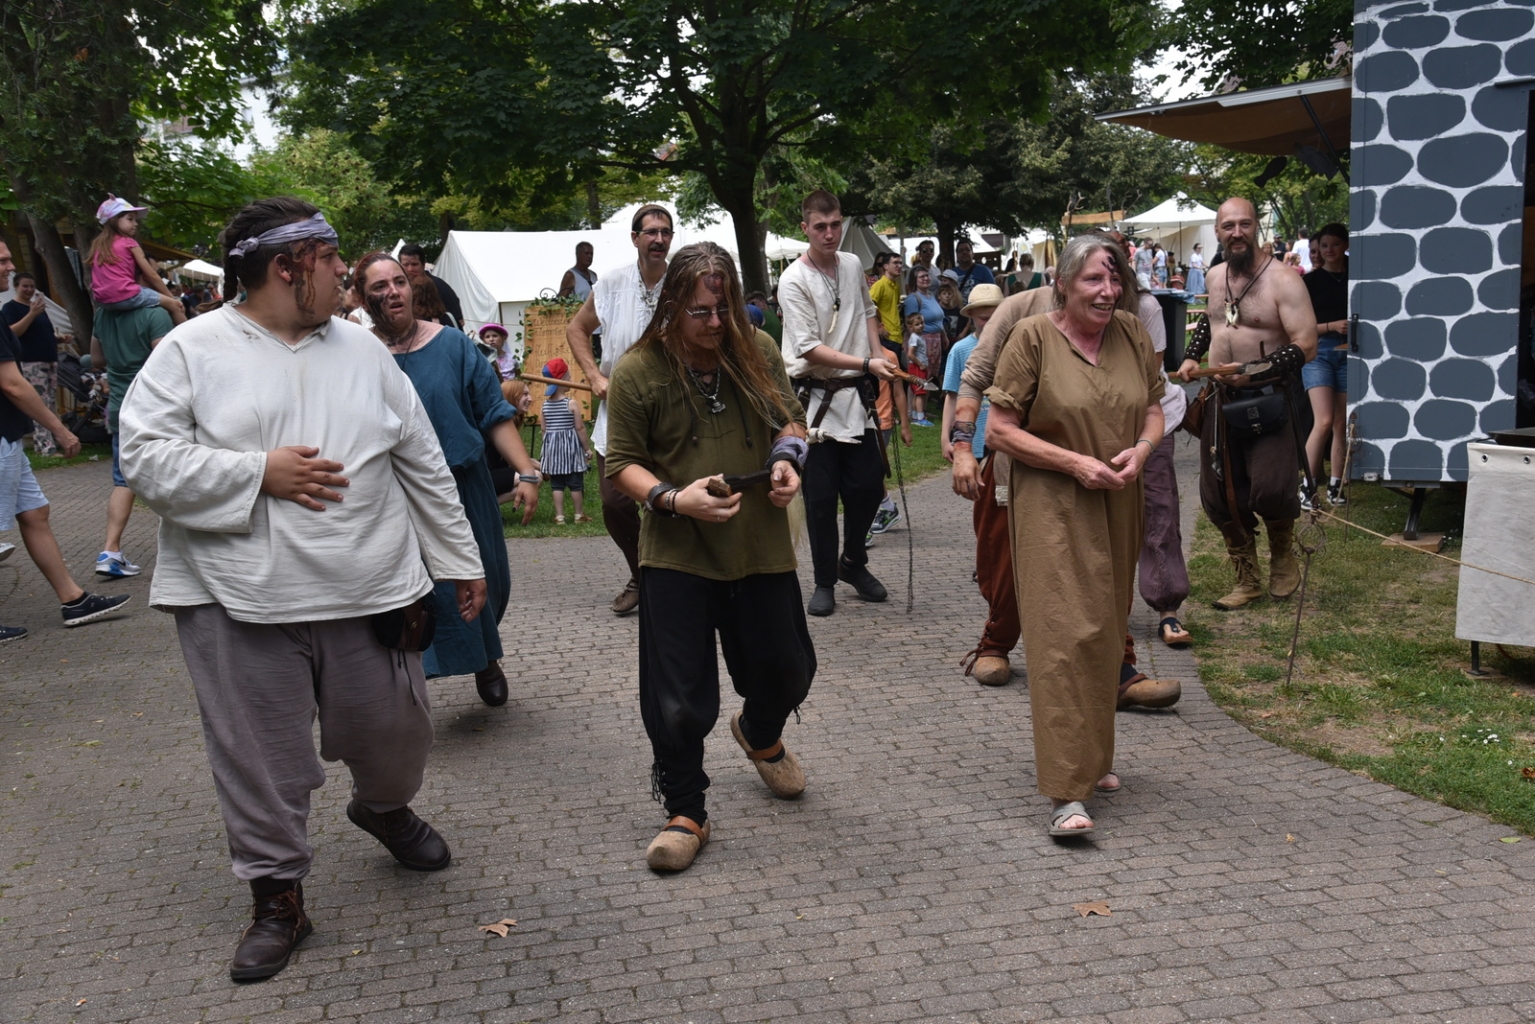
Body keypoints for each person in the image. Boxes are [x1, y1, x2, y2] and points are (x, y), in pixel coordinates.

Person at [118, 200, 486, 983]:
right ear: (290, 266)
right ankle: (277, 896)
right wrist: (256, 474)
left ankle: (383, 807)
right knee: (259, 759)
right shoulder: (192, 349)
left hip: (369, 584)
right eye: (331, 258)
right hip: (236, 597)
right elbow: (143, 458)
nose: (343, 272)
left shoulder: (360, 350)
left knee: (397, 733)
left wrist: (461, 558)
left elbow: (419, 456)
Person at [604, 241, 813, 872]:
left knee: (789, 670)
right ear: (672, 306)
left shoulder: (758, 351)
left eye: (725, 309)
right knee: (679, 699)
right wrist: (671, 499)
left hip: (758, 544)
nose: (718, 324)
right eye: (701, 311)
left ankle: (760, 732)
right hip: (676, 551)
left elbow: (792, 422)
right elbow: (620, 467)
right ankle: (686, 809)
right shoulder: (639, 369)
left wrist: (785, 463)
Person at [983, 233, 1166, 839]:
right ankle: (1066, 789)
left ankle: (1096, 760)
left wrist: (1142, 450)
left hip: (1119, 498)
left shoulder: (1134, 335)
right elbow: (1002, 430)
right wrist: (1074, 463)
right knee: (1064, 633)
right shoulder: (1032, 338)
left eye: (1114, 281)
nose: (1108, 292)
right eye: (1093, 280)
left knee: (1108, 628)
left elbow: (1155, 409)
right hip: (1054, 504)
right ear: (1061, 283)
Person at [354, 251, 540, 708]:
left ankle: (484, 656)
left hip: (464, 484)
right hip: (396, 493)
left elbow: (494, 415)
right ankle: (413, 675)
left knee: (484, 577)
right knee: (418, 585)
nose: (392, 291)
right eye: (379, 287)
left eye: (398, 281)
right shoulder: (358, 355)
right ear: (362, 297)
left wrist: (528, 471)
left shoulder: (454, 346)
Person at [1177, 197, 1319, 610]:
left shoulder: (1285, 280)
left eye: (1244, 225)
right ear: (1218, 231)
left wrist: (1257, 369)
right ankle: (1247, 579)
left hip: (1269, 399)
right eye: (1227, 226)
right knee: (1220, 493)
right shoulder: (1216, 274)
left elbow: (1306, 345)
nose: (1236, 233)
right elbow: (1213, 318)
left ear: (1256, 226)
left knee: (1273, 488)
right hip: (1220, 399)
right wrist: (1191, 355)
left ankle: (1282, 558)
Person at [0, 241, 133, 643]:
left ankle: (73, 599)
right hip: (1, 437)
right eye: (2, 259)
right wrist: (59, 428)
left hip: (7, 436)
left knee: (36, 512)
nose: (10, 266)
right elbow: (11, 381)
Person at [779, 190, 897, 617]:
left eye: (835, 225)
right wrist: (867, 361)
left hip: (855, 395)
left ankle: (852, 563)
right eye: (820, 226)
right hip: (815, 403)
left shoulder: (850, 265)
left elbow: (867, 311)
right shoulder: (793, 280)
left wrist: (878, 355)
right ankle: (825, 580)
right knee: (822, 498)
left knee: (867, 489)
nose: (829, 234)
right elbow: (809, 349)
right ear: (805, 228)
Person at [566, 203, 674, 616]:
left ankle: (671, 578)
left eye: (665, 232)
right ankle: (641, 572)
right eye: (651, 232)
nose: (659, 239)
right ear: (635, 238)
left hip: (671, 416)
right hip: (619, 413)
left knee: (667, 501)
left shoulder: (682, 284)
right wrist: (594, 376)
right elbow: (577, 328)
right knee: (614, 504)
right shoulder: (611, 283)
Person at [1105, 232, 1193, 650]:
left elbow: (1148, 380)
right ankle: (1103, 609)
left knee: (1158, 510)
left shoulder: (1146, 307)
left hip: (1149, 420)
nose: (1106, 282)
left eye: (1114, 268)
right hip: (1094, 423)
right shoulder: (1063, 310)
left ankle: (1167, 607)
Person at [90, 296, 174, 579]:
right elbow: (168, 361)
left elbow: (97, 358)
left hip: (119, 407)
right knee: (176, 475)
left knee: (123, 480)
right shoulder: (156, 314)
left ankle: (110, 552)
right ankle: (187, 552)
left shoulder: (103, 314)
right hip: (155, 409)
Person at [1302, 223, 1350, 508]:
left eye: (1334, 244)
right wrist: (1332, 325)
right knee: (1324, 420)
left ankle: (1336, 486)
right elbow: (1300, 327)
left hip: (1349, 352)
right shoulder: (1310, 282)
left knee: (1341, 424)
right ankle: (1307, 486)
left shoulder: (1358, 276)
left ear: (1345, 245)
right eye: (1323, 246)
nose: (1328, 250)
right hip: (1319, 352)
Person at [88, 196, 188, 327]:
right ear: (114, 220)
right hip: (126, 294)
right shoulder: (129, 243)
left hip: (102, 300)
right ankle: (191, 341)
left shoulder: (99, 245)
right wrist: (171, 298)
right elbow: (151, 275)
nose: (136, 223)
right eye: (130, 219)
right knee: (175, 306)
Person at [866, 253, 911, 535]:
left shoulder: (889, 356)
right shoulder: (852, 357)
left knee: (870, 473)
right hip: (862, 423)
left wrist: (905, 424)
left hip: (882, 422)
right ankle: (884, 507)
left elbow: (899, 393)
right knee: (867, 473)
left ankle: (880, 512)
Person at [2, 272, 63, 456]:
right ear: (16, 286)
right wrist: (32, 314)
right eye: (25, 286)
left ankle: (50, 442)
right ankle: (46, 448)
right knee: (39, 404)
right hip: (30, 363)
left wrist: (59, 340)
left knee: (50, 402)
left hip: (49, 361)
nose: (28, 290)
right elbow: (10, 334)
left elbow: (41, 334)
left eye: (31, 287)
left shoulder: (38, 308)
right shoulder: (11, 308)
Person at [537, 357, 592, 524]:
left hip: (553, 451)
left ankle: (559, 516)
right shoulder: (572, 403)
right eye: (568, 378)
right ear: (560, 380)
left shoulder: (545, 406)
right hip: (571, 451)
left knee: (557, 485)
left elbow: (544, 430)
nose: (570, 381)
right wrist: (586, 449)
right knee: (576, 484)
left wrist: (548, 448)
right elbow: (580, 428)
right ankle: (578, 515)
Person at [902, 267, 945, 404]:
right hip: (922, 342)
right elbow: (910, 323)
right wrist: (915, 344)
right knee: (917, 376)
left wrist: (943, 335)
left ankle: (923, 408)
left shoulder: (931, 296)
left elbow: (938, 318)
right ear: (915, 281)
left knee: (929, 375)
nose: (926, 278)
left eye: (927, 275)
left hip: (935, 340)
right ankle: (912, 410)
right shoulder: (913, 299)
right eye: (922, 277)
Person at [397, 244, 464, 328]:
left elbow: (459, 321)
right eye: (406, 265)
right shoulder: (396, 289)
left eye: (414, 264)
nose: (410, 269)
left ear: (423, 265)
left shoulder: (439, 286)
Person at [903, 311, 934, 426]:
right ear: (910, 327)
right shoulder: (914, 338)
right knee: (920, 392)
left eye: (921, 323)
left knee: (917, 392)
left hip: (919, 367)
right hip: (916, 367)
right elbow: (910, 354)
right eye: (917, 324)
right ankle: (920, 418)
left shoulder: (919, 337)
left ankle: (915, 416)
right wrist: (920, 364)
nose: (920, 326)